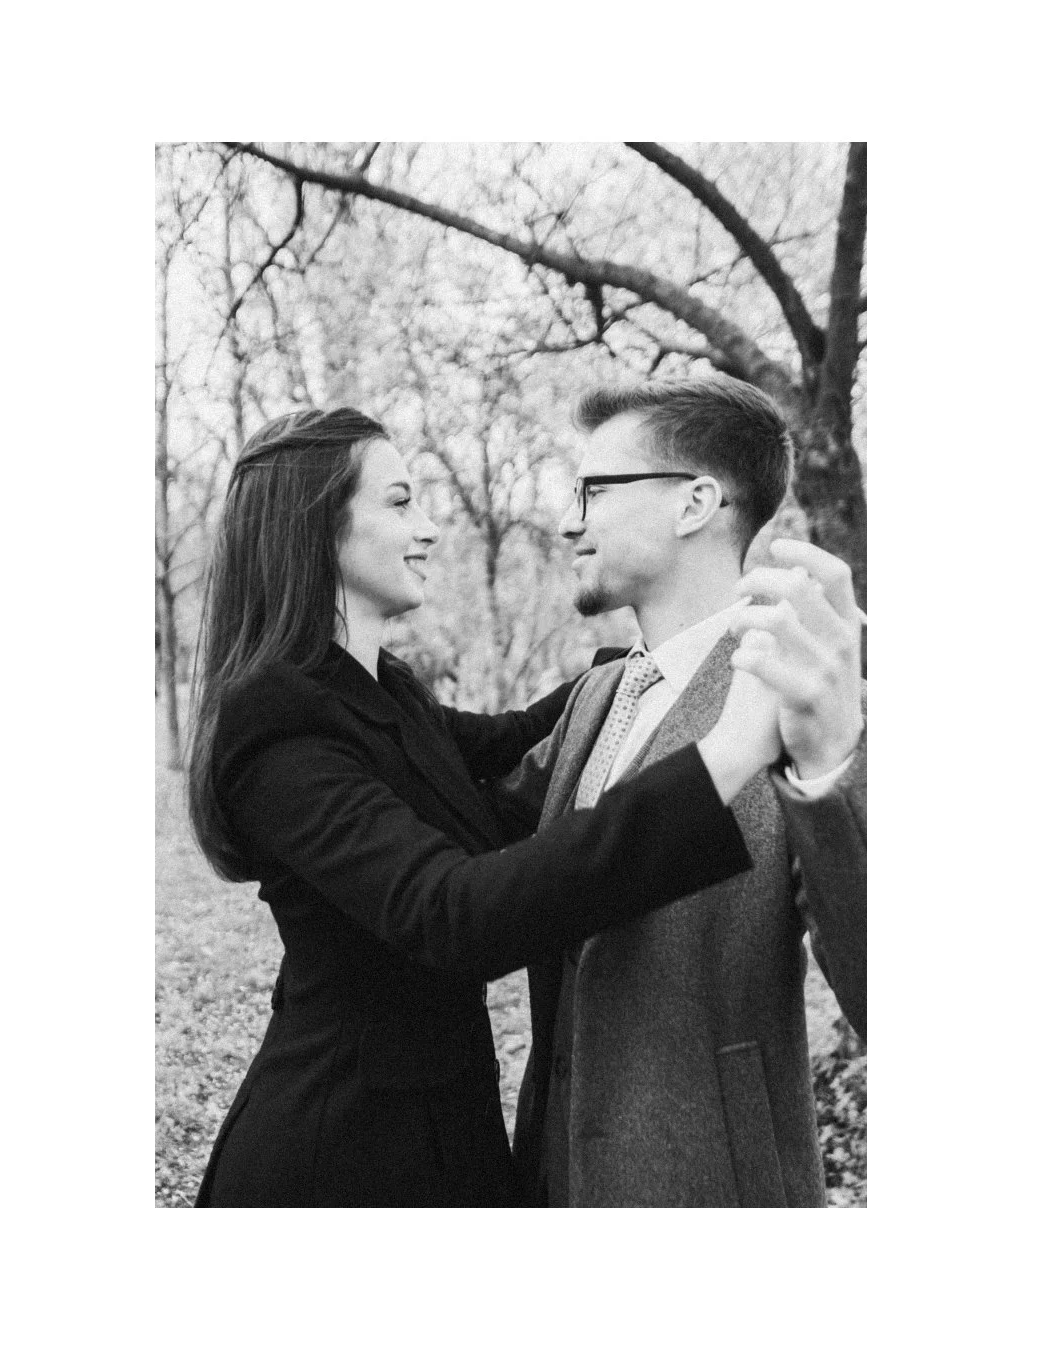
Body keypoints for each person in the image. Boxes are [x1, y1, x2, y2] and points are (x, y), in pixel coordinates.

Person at [186, 406, 783, 1208]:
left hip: (452, 1135)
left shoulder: (385, 690)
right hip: (341, 1156)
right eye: (400, 502)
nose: (429, 528)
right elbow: (453, 915)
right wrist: (729, 751)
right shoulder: (277, 722)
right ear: (316, 527)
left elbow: (513, 742)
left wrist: (654, 665)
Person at [505, 376, 867, 1207]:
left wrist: (831, 762)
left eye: (595, 491)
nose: (569, 522)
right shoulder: (595, 698)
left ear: (695, 502)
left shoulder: (808, 696)